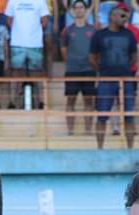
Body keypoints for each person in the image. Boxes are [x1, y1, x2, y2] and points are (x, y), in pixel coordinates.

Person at [90, 4, 137, 149]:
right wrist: (102, 70)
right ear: (112, 16)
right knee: (102, 115)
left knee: (129, 115)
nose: (124, 18)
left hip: (126, 79)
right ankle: (100, 148)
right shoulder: (99, 35)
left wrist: (124, 69)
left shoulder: (129, 34)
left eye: (125, 15)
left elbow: (134, 56)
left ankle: (130, 148)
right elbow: (92, 57)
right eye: (121, 15)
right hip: (106, 79)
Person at [60, 0, 97, 135]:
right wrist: (71, 62)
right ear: (73, 11)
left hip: (88, 70)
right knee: (70, 100)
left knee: (89, 100)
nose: (79, 10)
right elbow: (63, 49)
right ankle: (70, 131)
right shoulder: (67, 30)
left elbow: (96, 50)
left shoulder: (93, 30)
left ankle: (88, 130)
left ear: (86, 10)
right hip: (72, 70)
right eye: (76, 8)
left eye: (82, 7)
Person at [5, 0, 48, 108]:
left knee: (37, 73)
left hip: (35, 44)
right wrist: (20, 32)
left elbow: (44, 21)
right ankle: (13, 102)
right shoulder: (12, 1)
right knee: (16, 73)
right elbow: (9, 20)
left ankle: (40, 102)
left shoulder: (41, 1)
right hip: (17, 44)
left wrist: (33, 32)